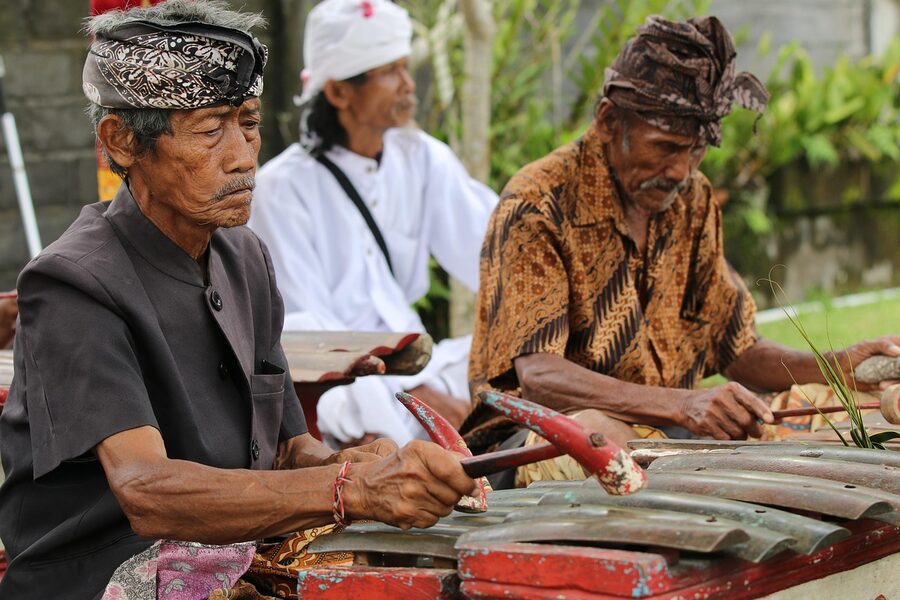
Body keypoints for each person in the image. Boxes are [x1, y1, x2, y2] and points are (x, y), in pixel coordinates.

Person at [0, 2, 475, 597]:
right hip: (103, 574)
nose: (243, 156)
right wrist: (348, 491)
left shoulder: (244, 255)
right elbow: (146, 491)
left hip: (227, 554)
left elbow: (285, 447)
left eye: (248, 123)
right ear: (121, 141)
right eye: (209, 130)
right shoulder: (71, 282)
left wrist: (356, 465)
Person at [461, 16, 900, 484]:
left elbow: (736, 350)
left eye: (696, 151)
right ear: (609, 121)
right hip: (534, 440)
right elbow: (540, 379)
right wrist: (684, 403)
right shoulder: (537, 202)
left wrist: (839, 367)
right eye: (667, 147)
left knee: (840, 417)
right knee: (598, 437)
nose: (680, 170)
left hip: (667, 432)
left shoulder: (692, 199)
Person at [249, 0, 498, 447]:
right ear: (340, 92)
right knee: (348, 403)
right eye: (390, 72)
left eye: (405, 67)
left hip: (417, 364)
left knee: (508, 355)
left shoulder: (422, 158)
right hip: (342, 390)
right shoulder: (281, 190)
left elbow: (497, 256)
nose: (408, 84)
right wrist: (411, 394)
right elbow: (306, 332)